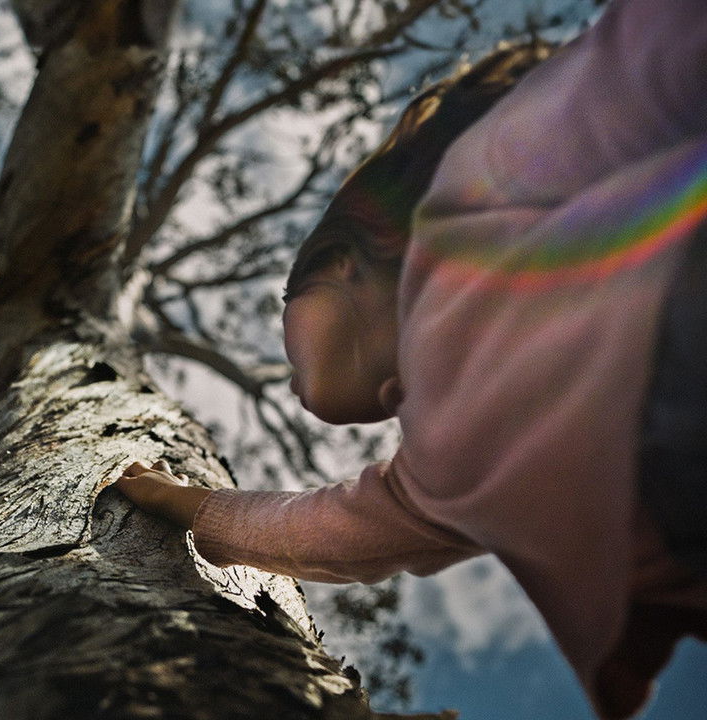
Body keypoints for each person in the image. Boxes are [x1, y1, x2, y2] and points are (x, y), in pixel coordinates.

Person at [113, 0, 707, 717]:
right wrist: (186, 504)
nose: (293, 379)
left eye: (288, 312)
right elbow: (318, 532)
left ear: (342, 265)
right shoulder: (430, 486)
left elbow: (650, 59)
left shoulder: (481, 180)